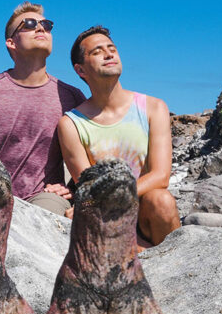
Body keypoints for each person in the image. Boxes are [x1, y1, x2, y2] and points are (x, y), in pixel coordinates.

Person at [0, 1, 85, 216]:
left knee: (44, 218)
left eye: (47, 25)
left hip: (44, 196)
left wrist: (73, 189)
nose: (41, 28)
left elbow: (91, 154)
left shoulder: (71, 96)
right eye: (29, 24)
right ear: (11, 43)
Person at [58, 26, 180, 251]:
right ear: (81, 70)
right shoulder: (72, 124)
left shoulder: (153, 108)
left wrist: (113, 194)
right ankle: (144, 256)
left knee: (162, 201)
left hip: (143, 210)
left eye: (111, 48)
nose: (108, 54)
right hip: (106, 215)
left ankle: (173, 261)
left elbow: (161, 176)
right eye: (97, 52)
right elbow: (89, 185)